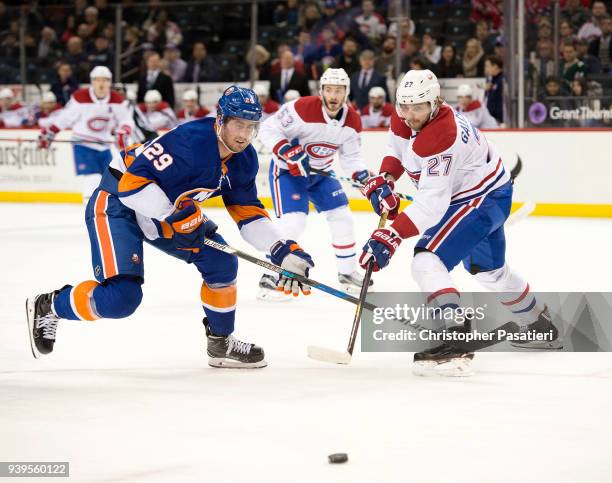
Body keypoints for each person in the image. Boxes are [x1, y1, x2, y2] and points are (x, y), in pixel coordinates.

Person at [25, 86, 314, 369]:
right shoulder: (190, 142)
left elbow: (248, 213)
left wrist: (283, 251)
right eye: (238, 124)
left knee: (222, 262)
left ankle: (220, 342)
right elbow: (131, 186)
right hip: (118, 201)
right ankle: (50, 306)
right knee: (121, 299)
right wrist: (174, 216)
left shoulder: (245, 160)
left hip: (164, 209)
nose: (245, 135)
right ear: (220, 121)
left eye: (251, 126)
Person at [358, 69, 562, 377]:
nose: (410, 114)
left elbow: (432, 205)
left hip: (480, 199)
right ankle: (539, 325)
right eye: (404, 106)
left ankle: (456, 335)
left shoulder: (441, 135)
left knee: (427, 260)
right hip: (488, 192)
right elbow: (396, 151)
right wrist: (386, 179)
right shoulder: (404, 115)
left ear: (436, 101)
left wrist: (392, 235)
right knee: (490, 272)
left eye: (418, 107)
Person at [257, 68, 372, 298]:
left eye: (338, 90)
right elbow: (268, 129)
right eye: (329, 90)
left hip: (322, 174)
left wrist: (361, 175)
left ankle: (347, 273)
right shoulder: (300, 108)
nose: (333, 95)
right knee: (294, 222)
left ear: (346, 93)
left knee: (343, 217)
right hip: (288, 171)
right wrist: (286, 150)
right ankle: (270, 275)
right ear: (321, 91)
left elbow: (350, 157)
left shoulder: (352, 121)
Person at [37, 66, 134, 200]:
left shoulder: (117, 100)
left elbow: (127, 120)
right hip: (83, 144)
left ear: (110, 82)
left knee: (111, 181)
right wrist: (51, 132)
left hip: (104, 147)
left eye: (105, 80)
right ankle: (89, 213)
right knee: (92, 179)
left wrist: (123, 131)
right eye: (98, 80)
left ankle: (106, 212)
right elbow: (65, 118)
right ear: (92, 82)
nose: (101, 84)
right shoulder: (80, 97)